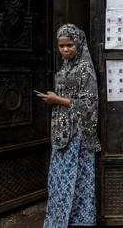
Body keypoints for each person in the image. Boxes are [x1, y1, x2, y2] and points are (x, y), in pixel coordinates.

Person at [36, 24, 101, 227]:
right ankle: (61, 218)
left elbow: (89, 103)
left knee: (78, 178)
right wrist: (54, 99)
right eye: (61, 46)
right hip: (62, 131)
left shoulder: (85, 69)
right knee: (59, 179)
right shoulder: (66, 67)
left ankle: (80, 219)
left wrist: (57, 100)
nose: (65, 50)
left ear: (78, 43)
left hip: (78, 134)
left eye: (69, 45)